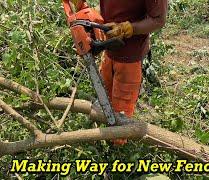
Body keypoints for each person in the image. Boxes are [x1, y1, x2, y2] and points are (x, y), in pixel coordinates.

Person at [70, 0, 168, 145]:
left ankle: (118, 151)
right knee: (104, 100)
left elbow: (158, 20)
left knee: (121, 111)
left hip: (130, 58)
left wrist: (127, 28)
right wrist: (81, 7)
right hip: (108, 50)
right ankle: (103, 137)